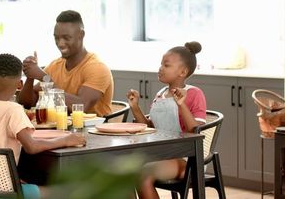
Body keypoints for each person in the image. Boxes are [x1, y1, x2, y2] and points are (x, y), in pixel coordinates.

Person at [0, 53, 86, 199]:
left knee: (28, 181)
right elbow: (31, 146)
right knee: (67, 191)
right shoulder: (13, 110)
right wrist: (66, 140)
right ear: (20, 85)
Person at [126, 41, 207, 199]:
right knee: (124, 174)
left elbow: (195, 130)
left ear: (182, 71)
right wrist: (135, 107)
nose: (160, 68)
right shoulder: (161, 93)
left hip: (186, 159)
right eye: (161, 64)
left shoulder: (194, 94)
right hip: (161, 155)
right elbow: (151, 127)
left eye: (166, 65)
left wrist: (181, 105)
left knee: (142, 176)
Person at [18, 10, 113, 116]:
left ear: (81, 35)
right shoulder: (55, 66)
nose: (60, 43)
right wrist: (30, 77)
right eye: (56, 38)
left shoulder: (97, 68)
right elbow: (27, 103)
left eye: (66, 38)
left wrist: (45, 79)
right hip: (59, 129)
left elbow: (81, 106)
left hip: (91, 131)